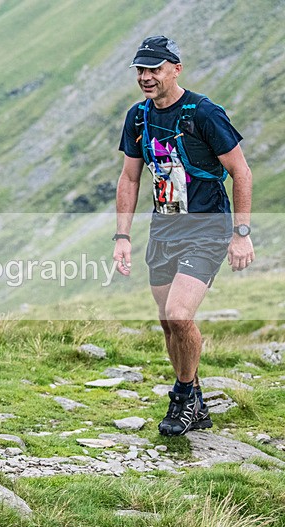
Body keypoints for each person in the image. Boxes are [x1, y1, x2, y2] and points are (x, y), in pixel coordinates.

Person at [113, 36, 255, 436]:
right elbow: (129, 177)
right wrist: (121, 237)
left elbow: (241, 172)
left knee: (180, 315)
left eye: (154, 69)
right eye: (141, 69)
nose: (146, 77)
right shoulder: (138, 117)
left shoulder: (204, 113)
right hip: (163, 229)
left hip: (208, 229)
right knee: (167, 323)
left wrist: (241, 233)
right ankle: (195, 402)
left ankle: (182, 396)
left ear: (176, 68)